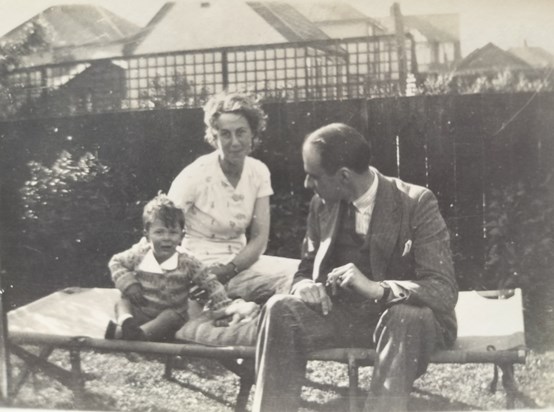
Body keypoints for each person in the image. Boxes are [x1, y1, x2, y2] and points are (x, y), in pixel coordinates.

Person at [253, 123, 458, 412]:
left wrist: (378, 289)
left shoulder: (416, 203)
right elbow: (305, 268)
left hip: (406, 325)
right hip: (345, 317)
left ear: (344, 176)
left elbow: (442, 290)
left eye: (313, 176)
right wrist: (304, 286)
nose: (306, 185)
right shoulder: (321, 204)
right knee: (279, 308)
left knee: (404, 317)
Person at [168, 92, 295, 304]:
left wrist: (230, 269)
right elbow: (163, 227)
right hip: (201, 268)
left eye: (241, 132)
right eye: (225, 134)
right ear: (214, 136)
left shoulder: (259, 172)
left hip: (240, 265)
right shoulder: (195, 174)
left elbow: (259, 238)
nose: (235, 142)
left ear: (253, 134)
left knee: (299, 274)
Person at [105, 193, 259, 342]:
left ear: (181, 236)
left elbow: (211, 283)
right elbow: (116, 262)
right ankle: (127, 323)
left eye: (173, 233)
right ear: (147, 235)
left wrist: (224, 307)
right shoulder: (139, 254)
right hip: (142, 310)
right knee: (123, 300)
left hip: (168, 319)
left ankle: (137, 335)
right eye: (159, 232)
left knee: (171, 316)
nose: (166, 238)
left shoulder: (187, 262)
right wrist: (129, 283)